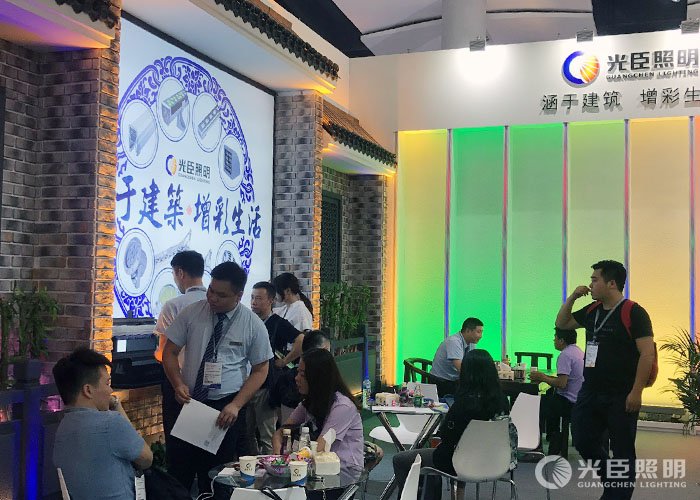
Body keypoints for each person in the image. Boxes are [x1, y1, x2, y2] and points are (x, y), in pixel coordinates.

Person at [162, 261, 273, 493]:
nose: (212, 298)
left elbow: (261, 369)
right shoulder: (192, 313)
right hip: (189, 403)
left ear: (238, 295)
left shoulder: (252, 324)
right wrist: (177, 383)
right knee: (179, 472)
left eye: (221, 295)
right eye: (211, 290)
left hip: (224, 409)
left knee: (215, 477)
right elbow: (169, 352)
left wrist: (236, 405)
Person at [556, 260, 655, 500]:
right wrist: (572, 297)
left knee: (622, 450)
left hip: (622, 394)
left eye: (594, 279)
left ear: (611, 283)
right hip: (591, 390)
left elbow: (647, 354)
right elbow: (562, 323)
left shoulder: (634, 312)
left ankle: (617, 493)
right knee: (582, 439)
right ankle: (613, 481)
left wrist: (637, 392)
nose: (590, 284)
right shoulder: (592, 310)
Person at [393, 349, 510, 499]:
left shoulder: (463, 404)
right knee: (429, 459)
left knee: (401, 459)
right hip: (494, 460)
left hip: (458, 461)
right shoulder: (502, 401)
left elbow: (447, 436)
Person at [53, 348, 153, 500]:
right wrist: (116, 404)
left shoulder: (62, 428)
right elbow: (146, 459)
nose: (110, 390)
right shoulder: (110, 423)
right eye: (107, 383)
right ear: (88, 390)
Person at [153, 251, 207, 459]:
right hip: (210, 387)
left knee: (179, 451)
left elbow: (163, 353)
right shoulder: (215, 303)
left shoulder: (174, 305)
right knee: (205, 449)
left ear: (180, 273)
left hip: (179, 386)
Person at [271, 348, 364, 468]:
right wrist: (278, 452)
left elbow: (319, 449)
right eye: (297, 373)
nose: (296, 378)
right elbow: (281, 431)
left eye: (302, 375)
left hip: (344, 470)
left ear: (318, 378)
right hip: (318, 468)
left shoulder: (342, 406)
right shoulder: (309, 402)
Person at [248, 281, 303, 454]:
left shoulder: (278, 323)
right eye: (252, 297)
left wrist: (285, 361)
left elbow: (301, 339)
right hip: (245, 384)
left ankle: (272, 465)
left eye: (258, 298)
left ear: (271, 300)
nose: (254, 302)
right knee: (247, 433)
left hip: (266, 385)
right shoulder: (248, 320)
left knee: (267, 432)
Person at [529, 328, 584, 455]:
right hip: (579, 399)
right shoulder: (578, 351)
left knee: (536, 404)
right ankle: (553, 435)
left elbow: (561, 383)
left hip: (569, 402)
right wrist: (545, 377)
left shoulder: (565, 355)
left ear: (561, 340)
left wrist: (543, 378)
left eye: (555, 338)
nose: (553, 340)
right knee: (548, 397)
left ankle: (540, 443)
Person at [429, 317, 483, 396]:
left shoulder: (471, 343)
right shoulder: (454, 342)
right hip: (442, 383)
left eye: (481, 332)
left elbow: (473, 363)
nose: (481, 336)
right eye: (478, 332)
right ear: (468, 331)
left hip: (454, 381)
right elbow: (461, 368)